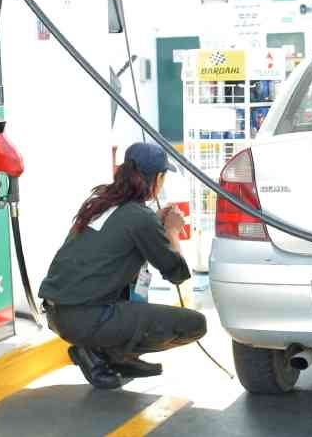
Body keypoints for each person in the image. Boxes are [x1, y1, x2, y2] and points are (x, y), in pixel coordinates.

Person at [39, 142, 207, 389]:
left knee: (128, 294)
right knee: (194, 324)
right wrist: (172, 232)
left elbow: (121, 236)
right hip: (85, 319)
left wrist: (156, 226)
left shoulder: (101, 202)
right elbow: (178, 274)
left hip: (55, 313)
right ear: (158, 179)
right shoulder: (141, 218)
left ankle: (100, 350)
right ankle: (106, 354)